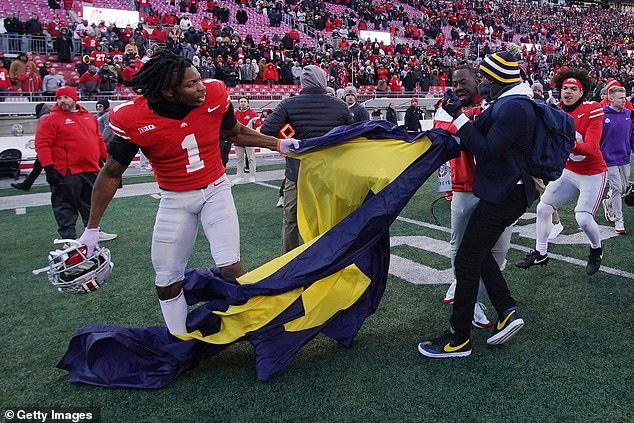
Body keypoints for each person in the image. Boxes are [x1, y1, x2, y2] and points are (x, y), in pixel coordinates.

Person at [76, 50, 298, 336]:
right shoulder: (133, 117)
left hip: (216, 190)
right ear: (168, 92)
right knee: (167, 280)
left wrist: (277, 144)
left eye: (198, 79)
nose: (202, 86)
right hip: (175, 199)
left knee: (230, 265)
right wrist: (92, 229)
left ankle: (264, 324)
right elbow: (111, 172)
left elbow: (235, 133)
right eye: (191, 84)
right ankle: (179, 340)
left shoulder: (215, 94)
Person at [419, 51, 537, 358]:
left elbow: (485, 150)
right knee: (476, 252)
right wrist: (458, 117)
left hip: (505, 193)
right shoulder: (509, 103)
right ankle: (507, 310)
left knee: (467, 260)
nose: (482, 83)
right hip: (503, 192)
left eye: (485, 78)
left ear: (498, 79)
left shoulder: (515, 107)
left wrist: (458, 116)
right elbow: (476, 135)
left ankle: (459, 338)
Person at [439, 65, 515, 329]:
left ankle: (477, 300)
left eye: (464, 82)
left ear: (478, 82)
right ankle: (469, 299)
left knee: (498, 251)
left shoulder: (494, 103)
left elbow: (480, 136)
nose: (458, 87)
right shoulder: (447, 104)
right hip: (463, 185)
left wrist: (464, 121)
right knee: (459, 245)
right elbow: (443, 131)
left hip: (495, 188)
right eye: (455, 82)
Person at [516, 68, 606, 275]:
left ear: (582, 92)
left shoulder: (592, 109)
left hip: (592, 172)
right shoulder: (555, 110)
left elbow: (592, 148)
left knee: (583, 217)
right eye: (565, 88)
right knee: (543, 207)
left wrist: (565, 143)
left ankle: (596, 249)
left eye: (574, 88)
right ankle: (541, 252)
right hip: (569, 171)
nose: (568, 92)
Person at [261, 65, 353, 253]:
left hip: (297, 171)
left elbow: (266, 130)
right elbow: (353, 137)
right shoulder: (340, 106)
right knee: (329, 217)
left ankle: (288, 263)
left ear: (302, 82)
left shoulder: (289, 104)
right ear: (323, 81)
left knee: (291, 219)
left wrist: (288, 136)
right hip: (330, 172)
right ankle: (328, 258)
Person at [34, 87, 117, 242]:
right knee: (65, 206)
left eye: (66, 97)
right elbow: (43, 144)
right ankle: (68, 238)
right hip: (66, 170)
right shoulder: (49, 119)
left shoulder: (88, 117)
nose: (62, 101)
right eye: (59, 98)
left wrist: (106, 159)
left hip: (90, 167)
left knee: (91, 203)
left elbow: (98, 138)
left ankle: (93, 231)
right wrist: (49, 167)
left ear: (74, 98)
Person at [600, 86, 634, 234]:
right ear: (611, 99)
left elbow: (632, 135)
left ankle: (608, 203)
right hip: (609, 158)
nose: (624, 100)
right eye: (621, 97)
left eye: (625, 96)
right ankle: (619, 220)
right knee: (617, 188)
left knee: (624, 188)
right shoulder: (602, 115)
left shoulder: (629, 114)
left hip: (625, 157)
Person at [11, 103, 51, 191]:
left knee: (44, 167)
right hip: (49, 147)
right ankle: (27, 183)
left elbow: (42, 134)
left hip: (47, 148)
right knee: (38, 166)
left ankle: (28, 183)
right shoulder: (50, 116)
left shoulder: (44, 118)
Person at [233, 96, 259, 184]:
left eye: (244, 101)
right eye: (241, 101)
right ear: (238, 103)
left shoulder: (253, 114)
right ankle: (239, 176)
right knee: (239, 159)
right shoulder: (234, 114)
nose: (243, 103)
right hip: (238, 140)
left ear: (248, 103)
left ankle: (252, 175)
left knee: (251, 158)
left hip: (249, 140)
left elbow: (257, 126)